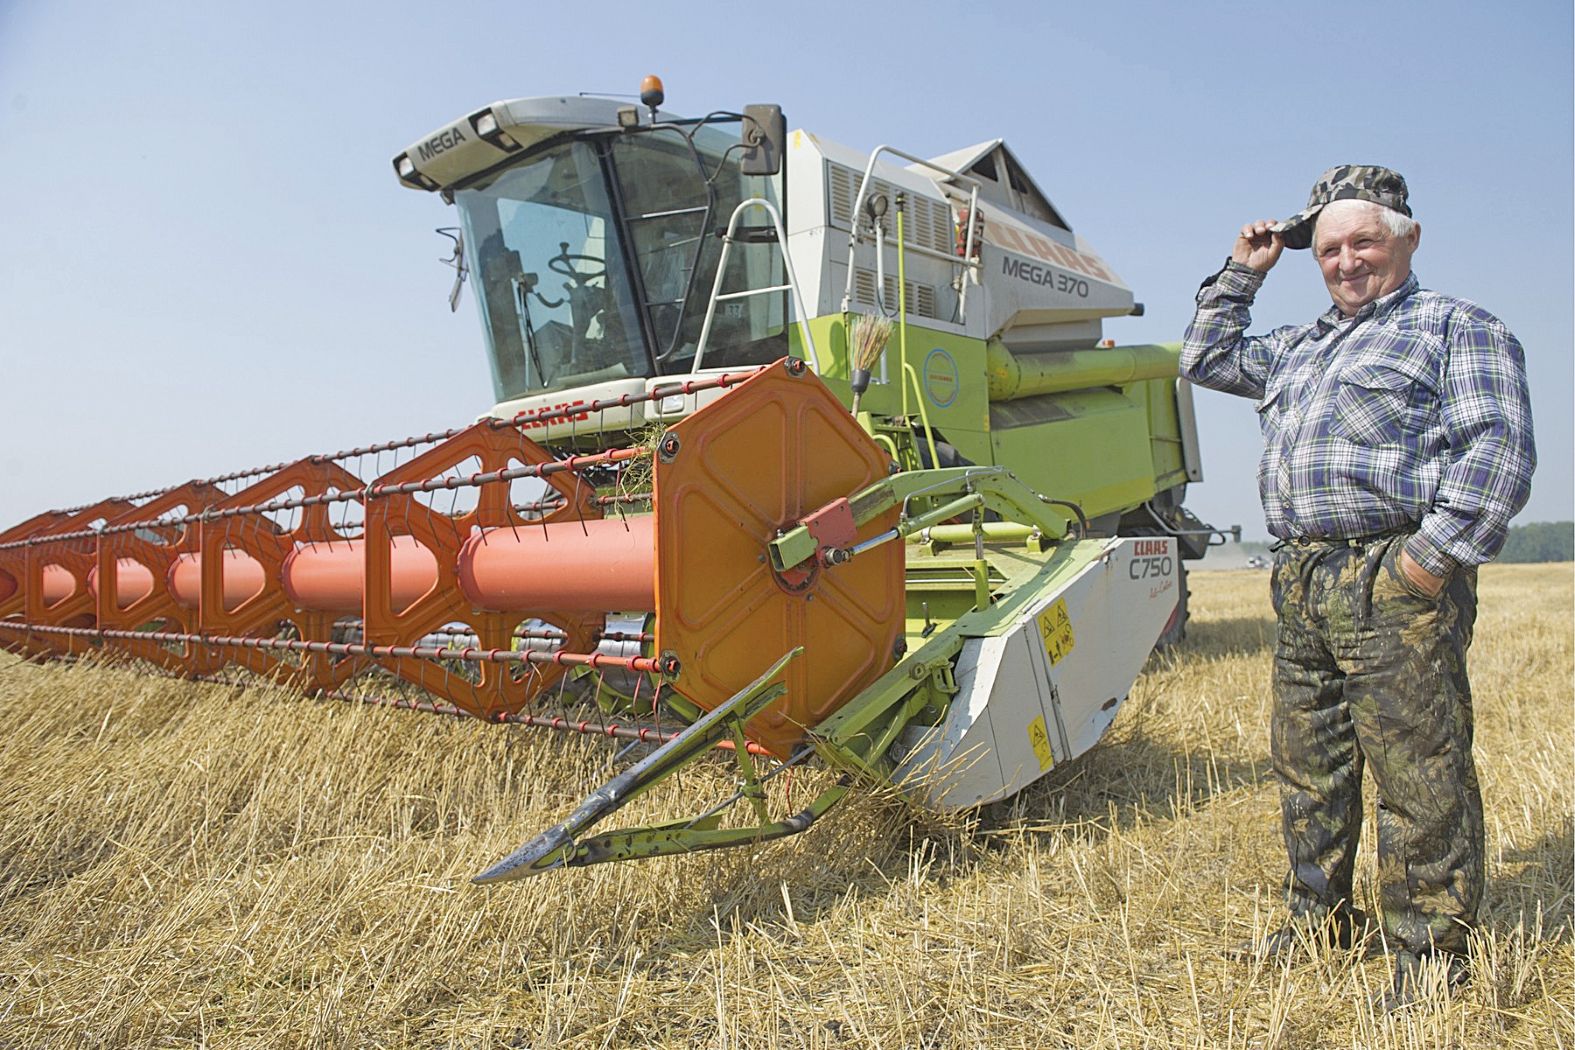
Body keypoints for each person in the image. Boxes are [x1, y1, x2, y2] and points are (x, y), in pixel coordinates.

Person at [1179, 165, 1536, 1012]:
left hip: (1392, 573)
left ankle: (1430, 952)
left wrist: (1427, 562)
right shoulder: (1298, 347)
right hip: (1302, 575)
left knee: (1416, 769)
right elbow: (1204, 356)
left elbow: (1496, 451)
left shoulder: (1455, 328)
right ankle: (1317, 920)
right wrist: (1242, 273)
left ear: (1406, 239)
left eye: (1363, 241)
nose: (1344, 261)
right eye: (1329, 248)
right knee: (1309, 764)